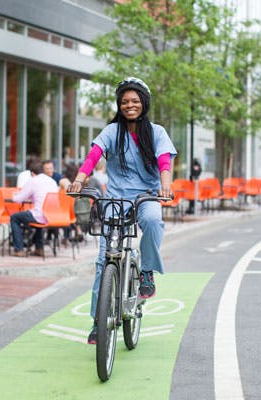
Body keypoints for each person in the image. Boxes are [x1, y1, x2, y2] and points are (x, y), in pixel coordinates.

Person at [68, 77, 176, 344]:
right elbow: (94, 155)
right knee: (104, 259)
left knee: (152, 220)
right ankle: (98, 321)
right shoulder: (112, 131)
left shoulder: (157, 132)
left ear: (144, 103)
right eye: (125, 101)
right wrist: (80, 180)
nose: (130, 105)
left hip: (147, 194)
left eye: (135, 101)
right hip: (116, 197)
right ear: (119, 104)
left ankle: (146, 271)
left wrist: (165, 187)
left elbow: (164, 161)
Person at [10, 162, 59, 257]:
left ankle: (19, 249)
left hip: (40, 215)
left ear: (32, 173)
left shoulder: (33, 181)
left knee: (15, 218)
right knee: (38, 219)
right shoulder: (52, 181)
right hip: (53, 215)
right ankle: (39, 248)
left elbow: (18, 199)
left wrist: (14, 196)